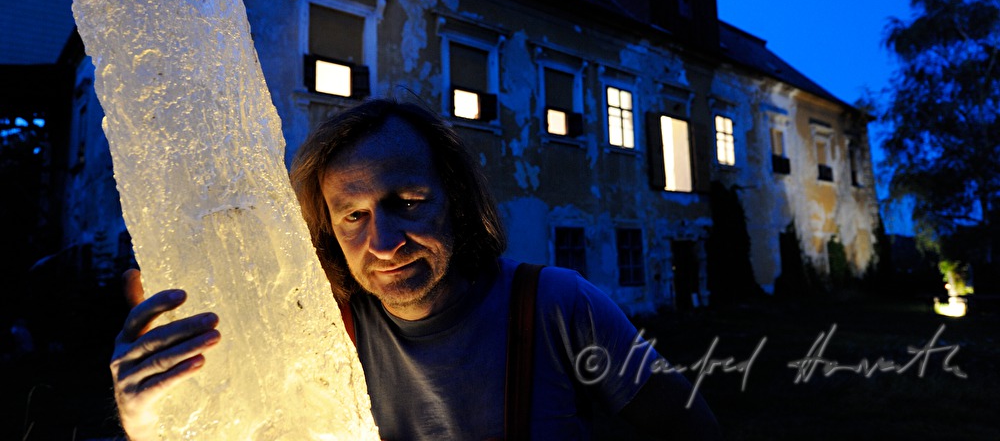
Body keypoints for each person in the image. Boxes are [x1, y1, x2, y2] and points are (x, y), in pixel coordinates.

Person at [111, 99, 721, 440]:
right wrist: (149, 417)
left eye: (406, 203)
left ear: (454, 197)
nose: (383, 241)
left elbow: (690, 429)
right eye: (352, 216)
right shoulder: (315, 337)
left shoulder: (559, 306)